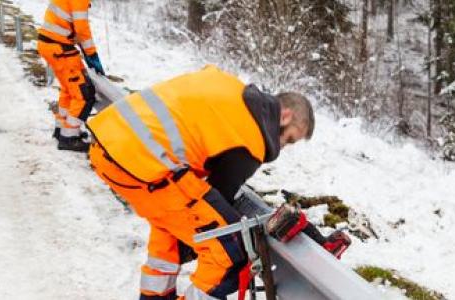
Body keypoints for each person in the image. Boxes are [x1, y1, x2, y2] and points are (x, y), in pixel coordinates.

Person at [86, 65, 317, 299]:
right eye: (288, 139)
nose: (282, 147)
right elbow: (219, 193)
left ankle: (154, 295)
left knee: (173, 227)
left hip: (110, 144)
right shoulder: (253, 138)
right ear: (285, 116)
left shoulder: (229, 86)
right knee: (230, 251)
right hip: (143, 163)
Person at [37, 0, 104, 152]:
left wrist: (73, 36)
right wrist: (91, 55)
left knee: (69, 89)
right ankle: (69, 138)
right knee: (84, 94)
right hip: (59, 47)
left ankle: (61, 130)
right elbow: (82, 29)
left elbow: (68, 23)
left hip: (50, 44)